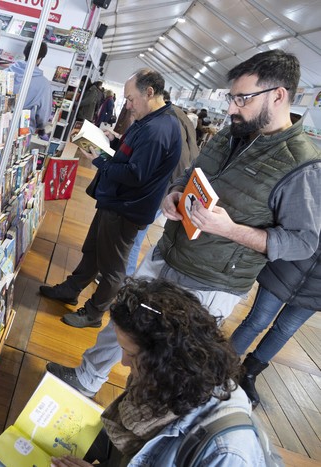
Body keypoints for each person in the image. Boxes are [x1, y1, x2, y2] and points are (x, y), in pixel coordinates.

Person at [47, 50, 321, 398]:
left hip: (211, 281)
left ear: (278, 95)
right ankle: (86, 380)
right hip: (169, 251)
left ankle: (134, 417)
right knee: (123, 318)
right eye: (231, 97)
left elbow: (302, 242)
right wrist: (174, 193)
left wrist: (229, 229)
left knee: (169, 359)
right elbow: (192, 174)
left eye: (243, 98)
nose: (234, 108)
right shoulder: (229, 134)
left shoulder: (302, 165)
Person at [51, 279, 267, 467]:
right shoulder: (160, 378)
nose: (124, 363)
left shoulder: (227, 453)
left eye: (131, 354)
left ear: (165, 358)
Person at [40, 68, 182, 330]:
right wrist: (114, 143)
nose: (127, 105)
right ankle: (71, 289)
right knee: (93, 251)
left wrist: (100, 160)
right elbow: (133, 156)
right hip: (115, 201)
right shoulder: (150, 120)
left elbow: (136, 174)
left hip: (127, 208)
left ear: (150, 93)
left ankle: (94, 313)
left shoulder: (159, 129)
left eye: (130, 99)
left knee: (113, 267)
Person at [230, 231, 321, 408]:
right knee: (257, 321)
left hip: (316, 289)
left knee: (285, 330)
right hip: (286, 267)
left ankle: (248, 374)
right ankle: (223, 366)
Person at [124, 90, 199, 276]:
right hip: (166, 188)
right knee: (134, 236)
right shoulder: (178, 116)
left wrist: (174, 189)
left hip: (162, 190)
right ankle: (122, 277)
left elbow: (181, 163)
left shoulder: (168, 121)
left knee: (134, 238)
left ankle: (124, 279)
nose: (131, 106)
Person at [7, 41, 53, 136]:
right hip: (21, 130)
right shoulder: (44, 84)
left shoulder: (6, 72)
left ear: (25, 53)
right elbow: (43, 116)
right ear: (40, 59)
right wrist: (40, 127)